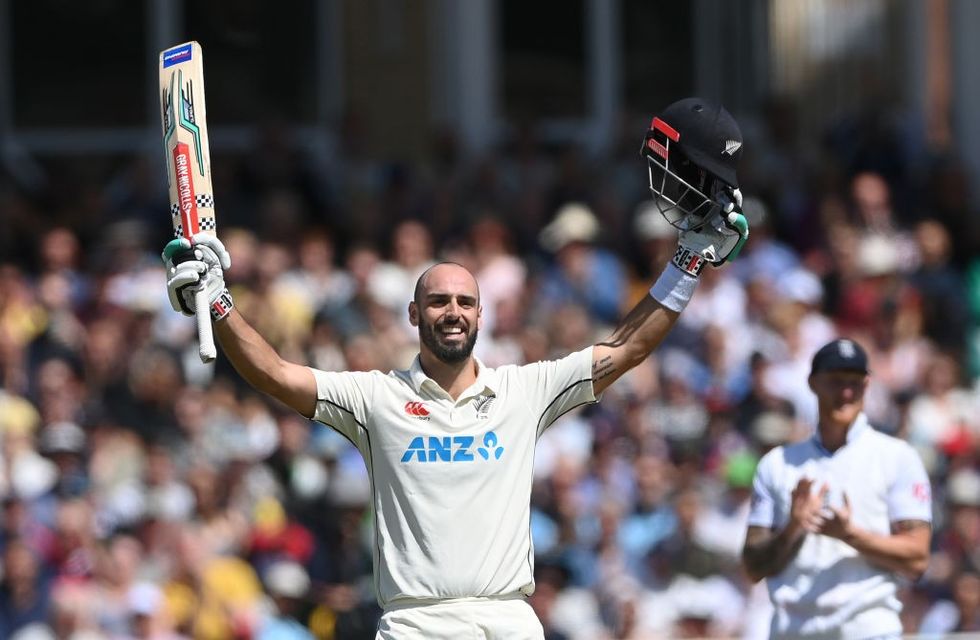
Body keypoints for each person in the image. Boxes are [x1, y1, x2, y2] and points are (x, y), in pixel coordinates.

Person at [161, 97, 750, 639]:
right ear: (414, 312)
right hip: (417, 623)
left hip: (507, 619)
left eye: (465, 302)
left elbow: (625, 348)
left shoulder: (524, 390)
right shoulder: (376, 399)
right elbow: (276, 373)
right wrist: (219, 303)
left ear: (481, 315)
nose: (452, 312)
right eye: (439, 301)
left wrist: (688, 260)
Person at [741, 338, 932, 639]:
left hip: (867, 630)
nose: (845, 392)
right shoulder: (777, 464)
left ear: (867, 384)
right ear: (813, 383)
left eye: (854, 382)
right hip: (794, 630)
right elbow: (753, 566)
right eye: (835, 381)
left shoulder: (897, 457)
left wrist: (849, 534)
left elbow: (917, 558)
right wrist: (793, 527)